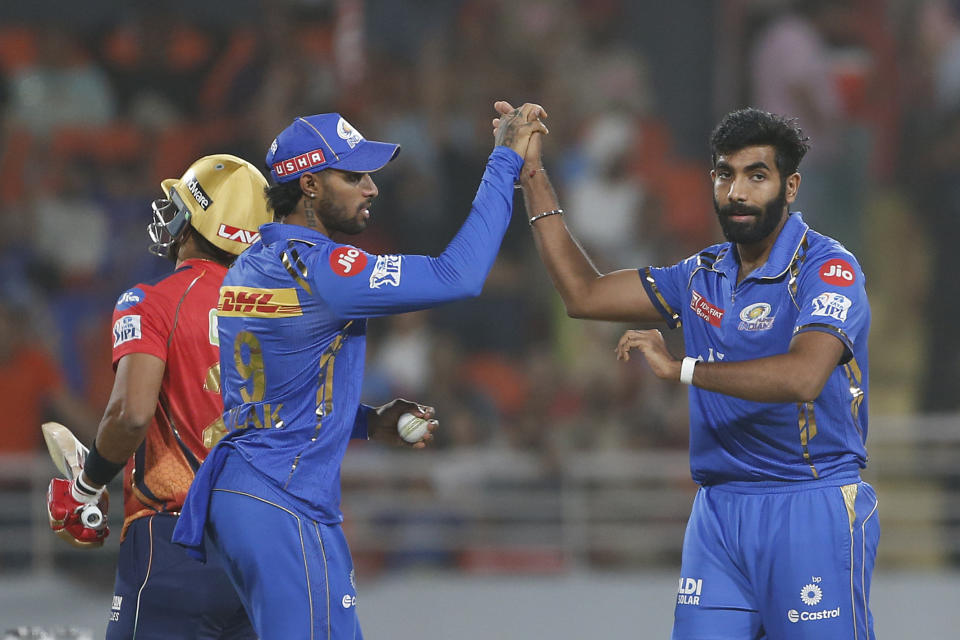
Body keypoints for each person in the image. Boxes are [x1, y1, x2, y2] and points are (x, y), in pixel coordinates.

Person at [498, 102, 877, 639]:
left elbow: (803, 377)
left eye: (757, 176)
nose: (737, 193)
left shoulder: (828, 268)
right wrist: (531, 176)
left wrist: (684, 370)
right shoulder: (701, 274)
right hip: (718, 512)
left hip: (808, 505)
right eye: (725, 175)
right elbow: (584, 294)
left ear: (790, 187)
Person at [172, 104, 547, 638]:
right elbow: (458, 275)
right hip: (283, 496)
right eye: (353, 176)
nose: (371, 188)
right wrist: (504, 160)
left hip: (247, 491)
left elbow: (281, 394)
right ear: (309, 186)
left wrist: (367, 421)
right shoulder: (323, 268)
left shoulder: (254, 261)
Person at [46, 154, 274, 638]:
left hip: (178, 542)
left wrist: (86, 487)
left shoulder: (152, 300)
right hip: (270, 546)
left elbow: (130, 414)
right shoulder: (287, 310)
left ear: (193, 221)